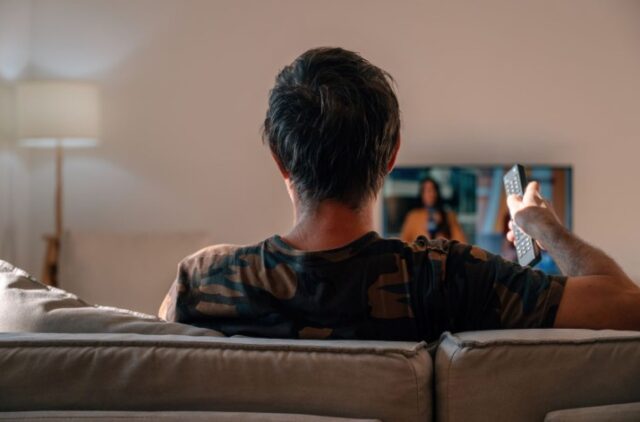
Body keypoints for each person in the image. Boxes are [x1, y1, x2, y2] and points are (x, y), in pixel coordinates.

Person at [159, 47, 640, 341]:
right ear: (391, 156)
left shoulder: (203, 282)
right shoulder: (449, 276)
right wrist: (542, 227)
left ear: (280, 161)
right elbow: (626, 304)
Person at [400, 177, 467, 243]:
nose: (430, 194)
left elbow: (461, 241)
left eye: (433, 190)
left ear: (437, 193)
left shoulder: (449, 216)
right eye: (427, 191)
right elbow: (404, 242)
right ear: (422, 194)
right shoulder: (413, 216)